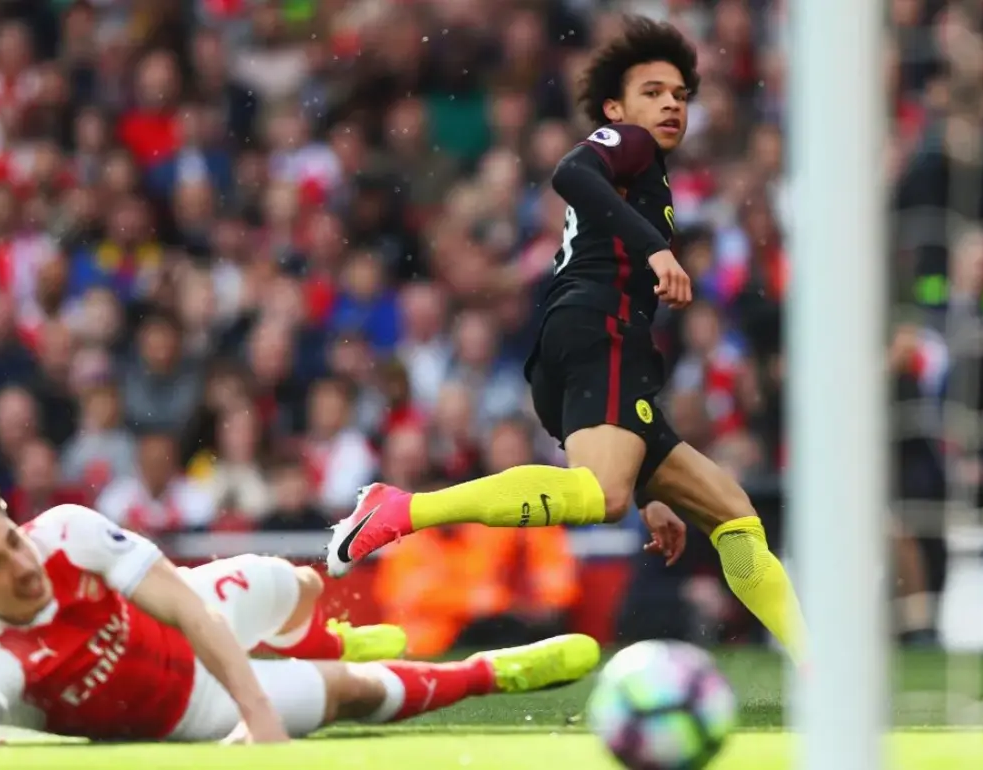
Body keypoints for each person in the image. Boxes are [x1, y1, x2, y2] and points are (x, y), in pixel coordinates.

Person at [326, 16, 806, 664]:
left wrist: (650, 490)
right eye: (653, 91)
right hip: (597, 329)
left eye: (679, 95)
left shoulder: (646, 177)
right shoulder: (628, 144)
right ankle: (402, 510)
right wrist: (656, 250)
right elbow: (572, 171)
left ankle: (815, 665)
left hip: (592, 346)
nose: (671, 104)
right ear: (615, 109)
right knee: (601, 495)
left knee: (732, 514)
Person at [0, 470, 600, 747]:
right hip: (190, 711)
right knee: (354, 695)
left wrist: (259, 717)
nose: (21, 566)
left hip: (194, 615)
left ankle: (324, 641)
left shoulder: (68, 532)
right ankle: (492, 672)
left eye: (12, 541)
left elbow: (184, 607)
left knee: (294, 583)